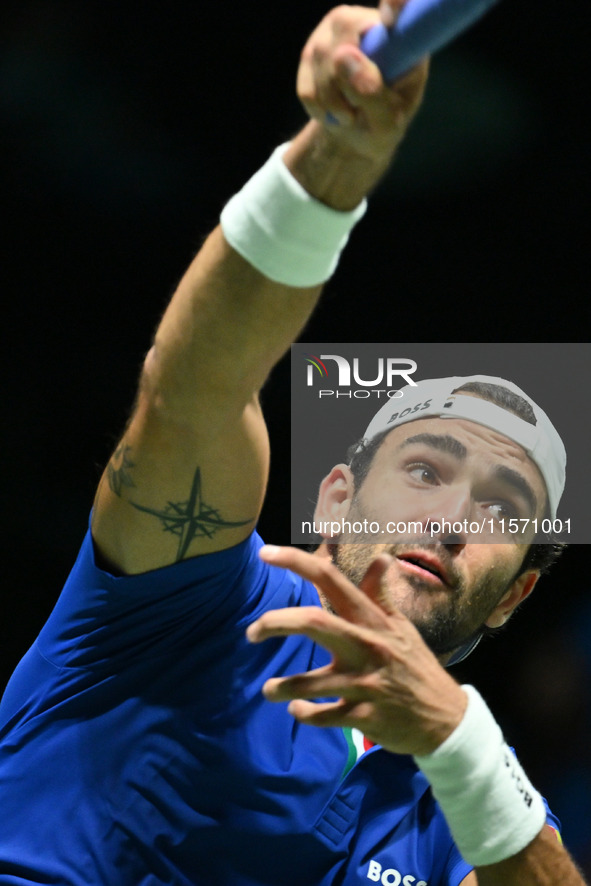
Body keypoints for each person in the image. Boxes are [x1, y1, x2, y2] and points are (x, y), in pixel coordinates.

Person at [0, 3, 586, 885]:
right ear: (336, 496)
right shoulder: (189, 597)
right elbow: (193, 386)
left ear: (517, 596)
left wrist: (454, 743)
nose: (455, 517)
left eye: (504, 504)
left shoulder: (462, 799)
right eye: (425, 469)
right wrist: (335, 161)